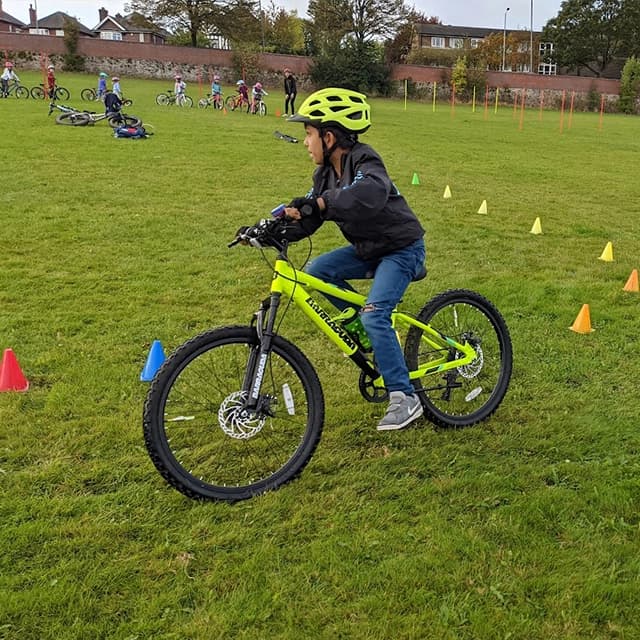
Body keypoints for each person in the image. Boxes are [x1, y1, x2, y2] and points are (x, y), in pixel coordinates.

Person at [282, 88, 426, 431]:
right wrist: (277, 229)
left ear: (329, 136)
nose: (305, 143)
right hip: (369, 250)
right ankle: (364, 330)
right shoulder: (324, 176)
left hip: (401, 249)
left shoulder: (365, 160)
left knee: (377, 316)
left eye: (309, 134)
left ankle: (404, 398)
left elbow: (369, 194)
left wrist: (319, 204)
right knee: (318, 271)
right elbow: (313, 217)